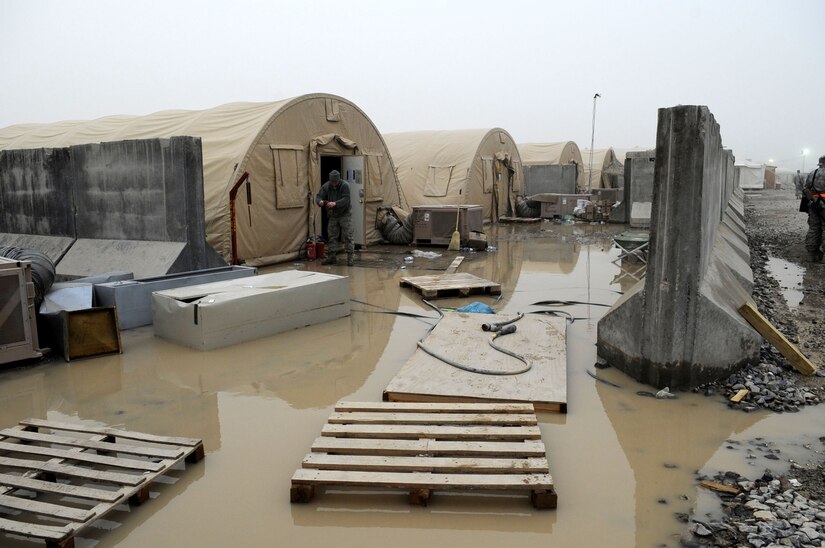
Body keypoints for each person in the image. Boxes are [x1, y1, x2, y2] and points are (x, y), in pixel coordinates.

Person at [316, 170, 354, 266]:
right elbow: (319, 196)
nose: (333, 184)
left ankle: (350, 258)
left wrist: (335, 203)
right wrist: (319, 201)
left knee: (348, 235)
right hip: (333, 215)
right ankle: (331, 257)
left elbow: (346, 199)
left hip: (345, 214)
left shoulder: (345, 186)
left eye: (335, 182)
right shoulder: (327, 186)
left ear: (338, 180)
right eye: (332, 182)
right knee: (332, 236)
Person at [802, 156, 825, 263]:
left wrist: (812, 199)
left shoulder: (813, 173)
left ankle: (812, 254)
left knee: (814, 228)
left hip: (814, 205)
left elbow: (806, 188)